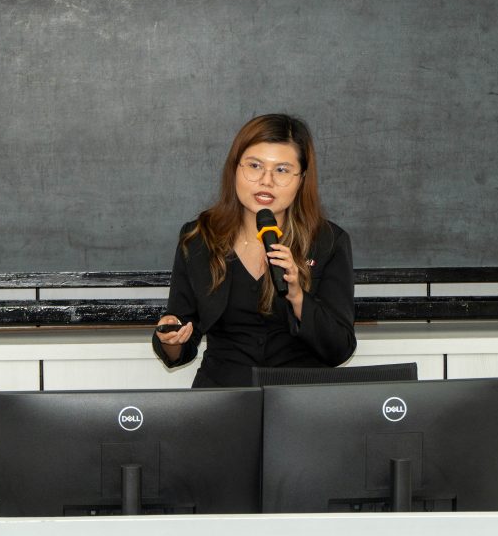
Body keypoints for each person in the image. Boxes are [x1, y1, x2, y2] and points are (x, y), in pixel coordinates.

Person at [152, 113, 356, 387]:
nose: (266, 181)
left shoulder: (328, 241)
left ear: (301, 178)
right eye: (255, 166)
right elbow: (181, 337)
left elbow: (340, 348)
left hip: (300, 397)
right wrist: (171, 338)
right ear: (235, 168)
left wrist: (297, 296)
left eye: (282, 170)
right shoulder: (200, 237)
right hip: (223, 395)